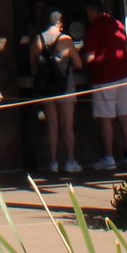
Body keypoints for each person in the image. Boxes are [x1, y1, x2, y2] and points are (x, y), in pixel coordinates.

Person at [80, 0, 127, 172]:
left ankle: (109, 158)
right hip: (124, 74)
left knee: (106, 119)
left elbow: (89, 57)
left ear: (92, 11)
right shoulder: (118, 24)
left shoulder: (95, 28)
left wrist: (83, 60)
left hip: (105, 77)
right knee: (124, 116)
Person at [31, 9, 82, 174]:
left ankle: (53, 162)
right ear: (60, 23)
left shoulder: (38, 40)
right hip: (65, 85)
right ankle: (70, 160)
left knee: (52, 125)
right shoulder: (66, 40)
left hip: (46, 86)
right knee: (67, 124)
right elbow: (78, 64)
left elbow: (33, 65)